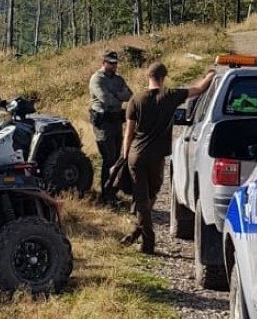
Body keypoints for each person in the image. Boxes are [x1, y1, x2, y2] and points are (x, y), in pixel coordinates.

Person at [120, 62, 216, 255]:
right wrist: (211, 75)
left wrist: (124, 155)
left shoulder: (135, 100)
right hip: (157, 156)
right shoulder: (170, 96)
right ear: (164, 78)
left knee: (142, 198)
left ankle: (139, 230)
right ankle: (148, 242)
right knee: (151, 193)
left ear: (148, 76)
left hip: (136, 155)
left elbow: (128, 133)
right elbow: (198, 89)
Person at [89, 50, 132, 202]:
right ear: (103, 63)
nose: (113, 66)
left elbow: (129, 95)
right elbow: (106, 99)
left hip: (115, 120)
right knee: (108, 157)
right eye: (110, 63)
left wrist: (117, 95)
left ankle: (111, 192)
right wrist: (118, 95)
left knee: (116, 157)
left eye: (115, 63)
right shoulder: (96, 79)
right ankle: (105, 193)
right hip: (103, 121)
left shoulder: (118, 79)